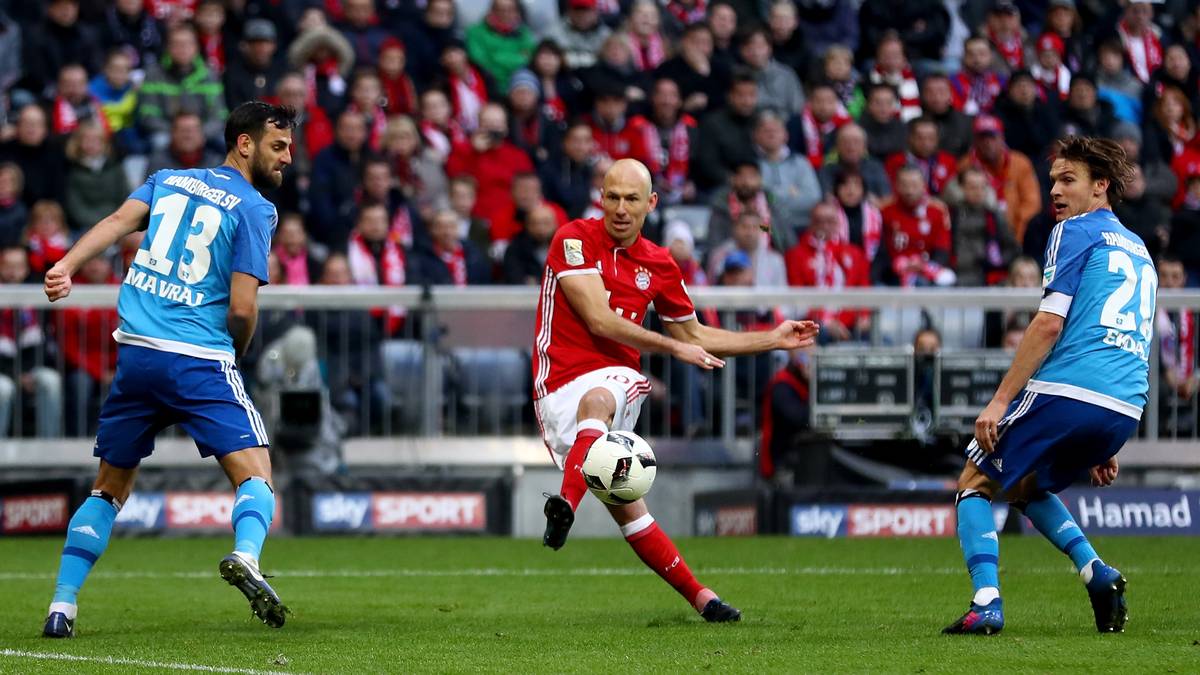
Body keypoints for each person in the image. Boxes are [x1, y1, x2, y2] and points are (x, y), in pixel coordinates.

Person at [39, 102, 297, 638]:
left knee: (108, 487)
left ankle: (62, 604)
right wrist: (237, 351)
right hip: (198, 358)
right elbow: (243, 309)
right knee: (256, 472)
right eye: (278, 146)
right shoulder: (255, 208)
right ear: (244, 144)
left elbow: (115, 224)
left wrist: (65, 266)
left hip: (136, 356)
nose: (287, 158)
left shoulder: (169, 179)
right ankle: (246, 556)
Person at [535, 158, 818, 622]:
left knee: (602, 397)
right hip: (555, 383)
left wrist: (773, 337)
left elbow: (695, 335)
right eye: (612, 197)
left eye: (631, 199)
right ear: (600, 198)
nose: (620, 209)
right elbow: (599, 320)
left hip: (612, 382)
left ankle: (566, 504)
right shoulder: (572, 238)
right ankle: (699, 596)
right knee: (630, 510)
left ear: (652, 203)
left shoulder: (660, 264)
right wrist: (674, 348)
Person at [943, 137, 1150, 636]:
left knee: (973, 483)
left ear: (1100, 186)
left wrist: (998, 400)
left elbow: (1049, 324)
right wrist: (1106, 432)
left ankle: (986, 602)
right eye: (1053, 179)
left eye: (1068, 179)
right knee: (1024, 484)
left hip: (1071, 389)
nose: (1054, 190)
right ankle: (1098, 574)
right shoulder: (1139, 248)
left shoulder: (1073, 232)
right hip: (1125, 404)